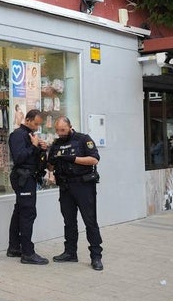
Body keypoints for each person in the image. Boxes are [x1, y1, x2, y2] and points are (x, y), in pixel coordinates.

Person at [47, 116, 103, 271]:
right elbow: (51, 168)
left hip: (83, 186)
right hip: (65, 187)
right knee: (69, 221)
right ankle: (70, 252)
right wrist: (50, 161)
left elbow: (94, 160)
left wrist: (73, 159)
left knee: (90, 221)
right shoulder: (57, 143)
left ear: (70, 127)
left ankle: (96, 256)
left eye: (63, 130)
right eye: (57, 130)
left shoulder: (83, 139)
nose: (60, 133)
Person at [7, 108, 49, 265]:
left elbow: (33, 157)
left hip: (28, 178)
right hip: (23, 178)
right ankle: (27, 253)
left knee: (20, 211)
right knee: (27, 214)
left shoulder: (30, 135)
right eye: (36, 124)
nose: (38, 127)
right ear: (29, 119)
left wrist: (42, 148)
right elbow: (19, 158)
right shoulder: (18, 135)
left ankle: (14, 247)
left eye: (39, 124)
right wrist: (33, 146)